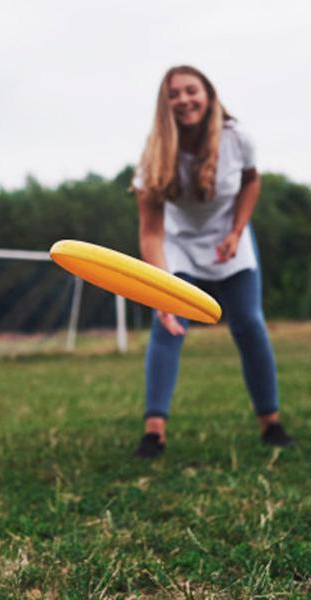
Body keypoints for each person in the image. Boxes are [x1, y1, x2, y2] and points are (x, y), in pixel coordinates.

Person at [131, 65, 293, 458]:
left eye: (191, 90)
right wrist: (160, 293)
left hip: (229, 240)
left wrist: (237, 230)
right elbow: (151, 232)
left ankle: (270, 423)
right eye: (174, 94)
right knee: (167, 326)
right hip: (178, 244)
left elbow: (252, 181)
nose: (184, 100)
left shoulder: (238, 139)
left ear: (208, 95)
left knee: (249, 323)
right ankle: (155, 432)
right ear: (164, 104)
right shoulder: (154, 152)